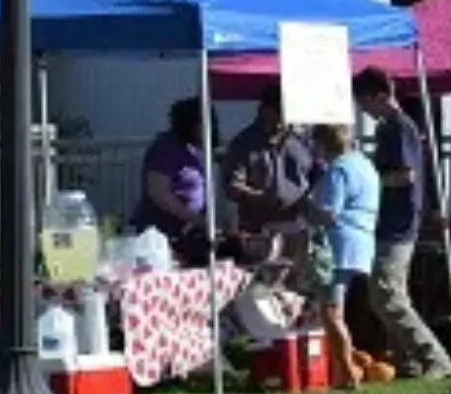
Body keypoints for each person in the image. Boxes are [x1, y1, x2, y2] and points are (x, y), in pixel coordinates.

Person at [351, 67, 451, 379]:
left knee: (388, 295)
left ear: (381, 95)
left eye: (365, 101)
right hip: (388, 222)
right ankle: (409, 359)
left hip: (397, 225)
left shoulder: (399, 128)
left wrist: (369, 181)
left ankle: (435, 358)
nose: (363, 109)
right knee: (386, 295)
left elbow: (405, 175)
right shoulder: (389, 128)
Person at [306, 123, 380, 390]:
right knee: (340, 311)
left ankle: (346, 372)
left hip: (338, 246)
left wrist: (304, 205)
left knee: (331, 312)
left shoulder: (338, 170)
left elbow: (327, 212)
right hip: (362, 244)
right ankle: (341, 368)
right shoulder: (364, 164)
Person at [222, 81, 320, 260]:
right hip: (259, 229)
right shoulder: (243, 143)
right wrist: (259, 196)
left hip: (297, 226)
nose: (287, 121)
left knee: (295, 282)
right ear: (265, 110)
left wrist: (311, 198)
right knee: (262, 282)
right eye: (281, 114)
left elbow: (318, 172)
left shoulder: (303, 139)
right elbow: (232, 186)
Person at [130, 96, 214, 266]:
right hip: (160, 235)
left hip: (183, 232)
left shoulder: (189, 150)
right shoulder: (165, 148)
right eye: (204, 124)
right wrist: (194, 218)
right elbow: (159, 193)